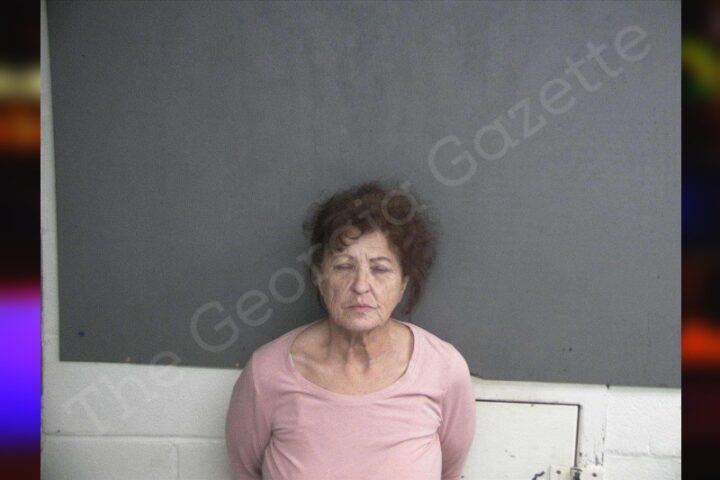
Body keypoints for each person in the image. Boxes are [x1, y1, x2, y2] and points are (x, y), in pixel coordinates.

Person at [225, 181, 476, 479]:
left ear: (403, 283)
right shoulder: (266, 373)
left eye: (380, 269)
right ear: (319, 276)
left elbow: (451, 472)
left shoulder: (444, 370)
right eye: (344, 266)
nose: (360, 286)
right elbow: (245, 472)